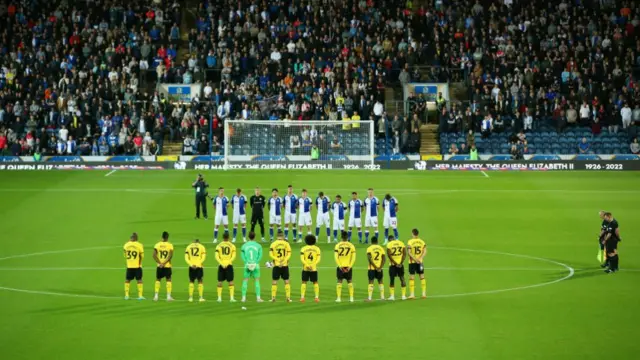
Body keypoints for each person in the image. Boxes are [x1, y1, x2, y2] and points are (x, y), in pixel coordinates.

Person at [240, 232, 264, 302]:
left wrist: (246, 262)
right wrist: (256, 262)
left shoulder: (244, 245)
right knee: (257, 280)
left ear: (248, 237)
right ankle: (258, 298)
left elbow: (242, 255)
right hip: (255, 265)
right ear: (254, 237)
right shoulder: (258, 246)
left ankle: (243, 298)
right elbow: (260, 256)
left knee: (245, 280)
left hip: (247, 265)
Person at [269, 230, 292, 302]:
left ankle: (273, 297)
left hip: (276, 265)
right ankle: (288, 298)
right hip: (284, 265)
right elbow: (289, 254)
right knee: (286, 281)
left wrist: (277, 260)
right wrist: (283, 261)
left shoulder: (273, 244)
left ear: (277, 236)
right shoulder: (286, 243)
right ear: (283, 236)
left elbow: (271, 254)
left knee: (274, 281)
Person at [334, 231, 356, 302]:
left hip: (340, 266)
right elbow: (353, 257)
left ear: (341, 237)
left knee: (339, 281)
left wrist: (340, 266)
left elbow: (336, 257)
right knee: (350, 281)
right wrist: (350, 266)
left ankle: (338, 298)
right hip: (348, 266)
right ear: (347, 237)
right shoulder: (351, 245)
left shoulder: (338, 245)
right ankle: (351, 298)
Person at [152, 231, 174, 302]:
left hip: (159, 266)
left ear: (162, 237)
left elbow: (154, 255)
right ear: (167, 237)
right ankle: (168, 296)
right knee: (168, 279)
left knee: (158, 279)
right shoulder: (170, 245)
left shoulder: (157, 245)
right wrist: (164, 263)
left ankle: (156, 296)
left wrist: (160, 263)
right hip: (167, 265)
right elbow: (170, 255)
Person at [215, 233, 237, 302]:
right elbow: (233, 256)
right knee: (231, 281)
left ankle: (219, 298)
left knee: (219, 281)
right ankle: (232, 298)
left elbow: (216, 256)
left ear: (222, 237)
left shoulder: (219, 245)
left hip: (221, 265)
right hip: (229, 265)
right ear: (228, 237)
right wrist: (228, 262)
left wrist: (221, 263)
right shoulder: (232, 246)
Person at [300, 234, 321, 302]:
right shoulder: (317, 249)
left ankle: (302, 297)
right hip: (313, 268)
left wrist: (307, 265)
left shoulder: (303, 248)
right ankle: (316, 297)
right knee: (315, 282)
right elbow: (318, 259)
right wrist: (313, 265)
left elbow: (302, 259)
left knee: (304, 282)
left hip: (305, 268)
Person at [406, 228, 427, 299]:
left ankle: (412, 295)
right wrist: (420, 258)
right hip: (420, 262)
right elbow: (425, 251)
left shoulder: (410, 242)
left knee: (412, 277)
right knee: (422, 276)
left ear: (413, 233)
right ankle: (424, 294)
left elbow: (409, 252)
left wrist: (415, 259)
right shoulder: (422, 242)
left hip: (412, 262)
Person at [123, 232, 145, 300]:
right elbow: (142, 256)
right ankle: (140, 296)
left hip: (129, 265)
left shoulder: (126, 245)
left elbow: (125, 255)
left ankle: (126, 295)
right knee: (139, 280)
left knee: (127, 280)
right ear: (135, 238)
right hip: (137, 266)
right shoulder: (139, 245)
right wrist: (139, 263)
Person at [386, 235, 407, 301]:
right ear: (394, 238)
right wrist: (400, 263)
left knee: (392, 279)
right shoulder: (401, 243)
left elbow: (389, 255)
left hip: (393, 265)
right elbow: (404, 254)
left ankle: (392, 296)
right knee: (402, 278)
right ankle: (403, 296)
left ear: (389, 240)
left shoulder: (389, 244)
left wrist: (395, 263)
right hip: (401, 265)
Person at [365, 236, 386, 301]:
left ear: (371, 242)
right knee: (380, 281)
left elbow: (369, 259)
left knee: (371, 282)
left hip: (372, 268)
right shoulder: (381, 248)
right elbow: (384, 259)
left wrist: (375, 267)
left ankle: (370, 298)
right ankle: (382, 297)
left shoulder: (369, 248)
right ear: (377, 241)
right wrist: (380, 267)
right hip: (379, 268)